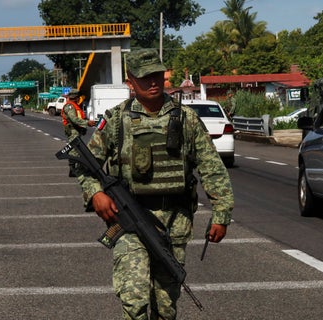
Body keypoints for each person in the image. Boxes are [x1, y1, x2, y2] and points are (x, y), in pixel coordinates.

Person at [77, 48, 234, 319]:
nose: (153, 82)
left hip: (174, 222)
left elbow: (212, 169)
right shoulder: (116, 120)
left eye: (158, 76)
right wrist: (96, 195)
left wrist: (221, 214)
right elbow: (86, 165)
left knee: (165, 306)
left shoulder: (186, 119)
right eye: (145, 77)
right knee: (134, 298)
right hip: (129, 220)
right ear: (131, 82)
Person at [62, 89, 95, 177]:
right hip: (72, 130)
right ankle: (72, 169)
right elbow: (73, 119)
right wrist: (87, 123)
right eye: (78, 97)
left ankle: (75, 169)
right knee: (74, 151)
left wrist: (84, 125)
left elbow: (79, 118)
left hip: (76, 130)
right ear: (76, 98)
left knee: (77, 150)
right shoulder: (70, 106)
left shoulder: (75, 106)